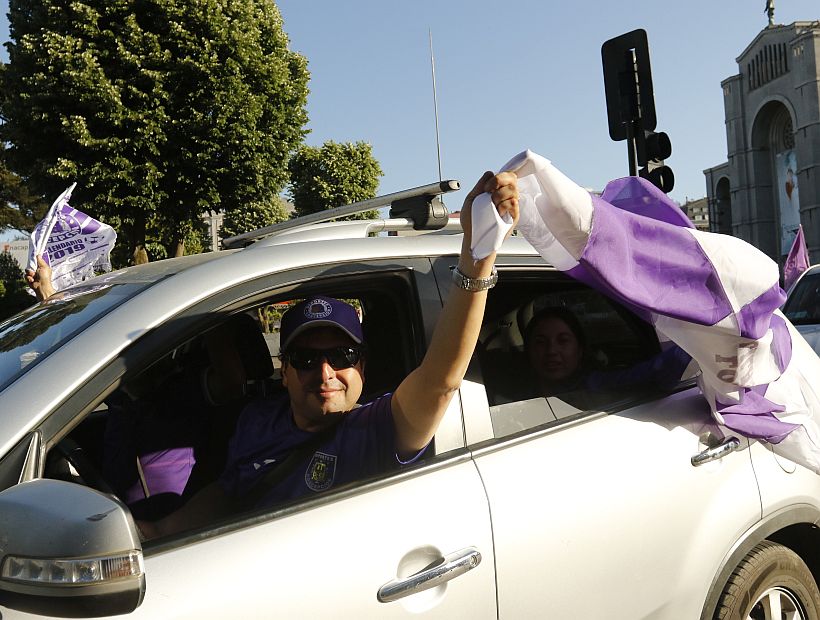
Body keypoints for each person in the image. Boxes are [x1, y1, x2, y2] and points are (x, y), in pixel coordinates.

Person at [135, 169, 519, 538]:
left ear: (362, 366)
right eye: (304, 359)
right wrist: (162, 531)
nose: (324, 373)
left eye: (342, 355)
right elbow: (231, 491)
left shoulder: (381, 427)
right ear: (282, 371)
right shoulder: (256, 420)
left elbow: (440, 382)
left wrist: (478, 256)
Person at [523, 306, 692, 408]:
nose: (551, 350)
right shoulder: (508, 396)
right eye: (541, 342)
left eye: (563, 341)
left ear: (580, 349)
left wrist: (701, 344)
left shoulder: (595, 385)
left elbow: (660, 367)